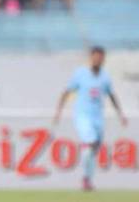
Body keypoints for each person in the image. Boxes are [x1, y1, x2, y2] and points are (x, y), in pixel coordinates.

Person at [54, 46, 127, 192]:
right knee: (90, 142)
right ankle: (86, 179)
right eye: (95, 57)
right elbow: (66, 91)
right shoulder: (80, 74)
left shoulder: (105, 77)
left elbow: (112, 96)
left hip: (98, 118)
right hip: (82, 115)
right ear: (90, 58)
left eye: (100, 57)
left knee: (93, 149)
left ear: (103, 59)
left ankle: (88, 179)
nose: (97, 59)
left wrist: (120, 114)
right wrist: (58, 111)